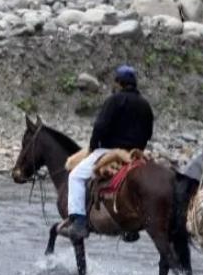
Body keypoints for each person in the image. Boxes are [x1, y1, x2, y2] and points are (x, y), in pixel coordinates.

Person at [58, 65, 155, 240]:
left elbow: (100, 127)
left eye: (115, 82)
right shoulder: (145, 105)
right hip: (134, 154)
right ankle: (130, 227)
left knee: (76, 177)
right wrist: (137, 150)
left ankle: (78, 222)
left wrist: (94, 148)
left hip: (109, 152)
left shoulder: (114, 100)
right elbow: (148, 132)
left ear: (118, 83)